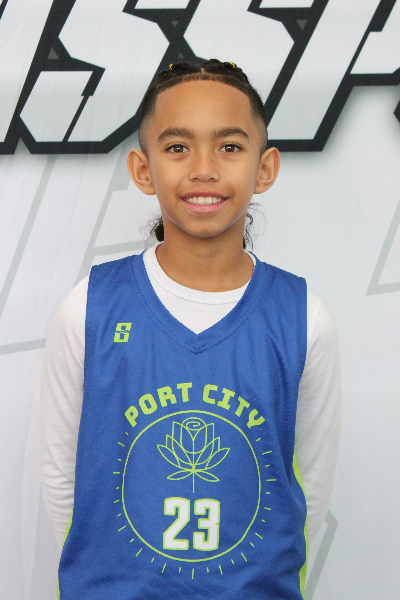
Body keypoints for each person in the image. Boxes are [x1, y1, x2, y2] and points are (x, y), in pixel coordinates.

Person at [40, 59, 342, 599]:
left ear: (265, 167)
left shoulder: (303, 318)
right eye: (178, 147)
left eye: (230, 146)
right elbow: (63, 479)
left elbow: (307, 491)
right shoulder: (88, 308)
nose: (204, 169)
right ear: (143, 169)